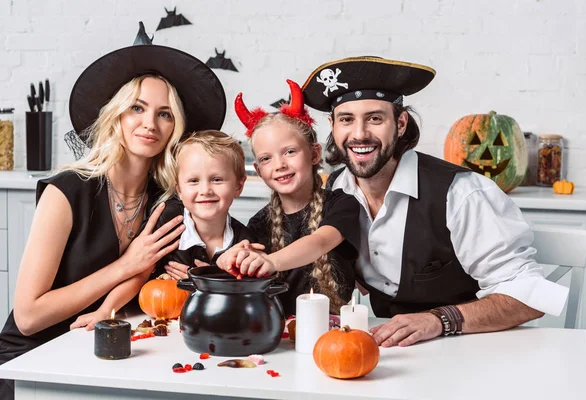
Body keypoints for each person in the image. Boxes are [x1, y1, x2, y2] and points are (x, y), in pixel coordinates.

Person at [0, 27, 226, 399]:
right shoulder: (66, 191)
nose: (150, 123)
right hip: (34, 361)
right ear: (116, 115)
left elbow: (172, 278)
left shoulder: (167, 199)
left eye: (164, 113)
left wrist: (195, 276)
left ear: (176, 128)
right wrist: (125, 265)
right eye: (137, 108)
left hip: (111, 351)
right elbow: (27, 318)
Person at [301, 56, 568, 347]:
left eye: (375, 118)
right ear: (333, 126)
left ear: (400, 124)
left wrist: (439, 320)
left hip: (473, 349)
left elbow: (528, 297)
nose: (360, 133)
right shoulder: (336, 189)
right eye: (346, 119)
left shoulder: (462, 193)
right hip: (384, 353)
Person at [215, 80, 360, 316]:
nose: (280, 165)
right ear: (259, 171)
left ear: (314, 154)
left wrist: (271, 261)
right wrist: (234, 259)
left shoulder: (342, 204)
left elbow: (320, 242)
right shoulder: (258, 223)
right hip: (278, 334)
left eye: (290, 152)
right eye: (266, 159)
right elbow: (250, 269)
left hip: (333, 330)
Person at [151, 130, 257, 281]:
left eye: (217, 179)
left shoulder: (245, 243)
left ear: (238, 187)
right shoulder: (166, 220)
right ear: (179, 190)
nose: (205, 190)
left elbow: (245, 294)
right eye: (194, 181)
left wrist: (206, 281)